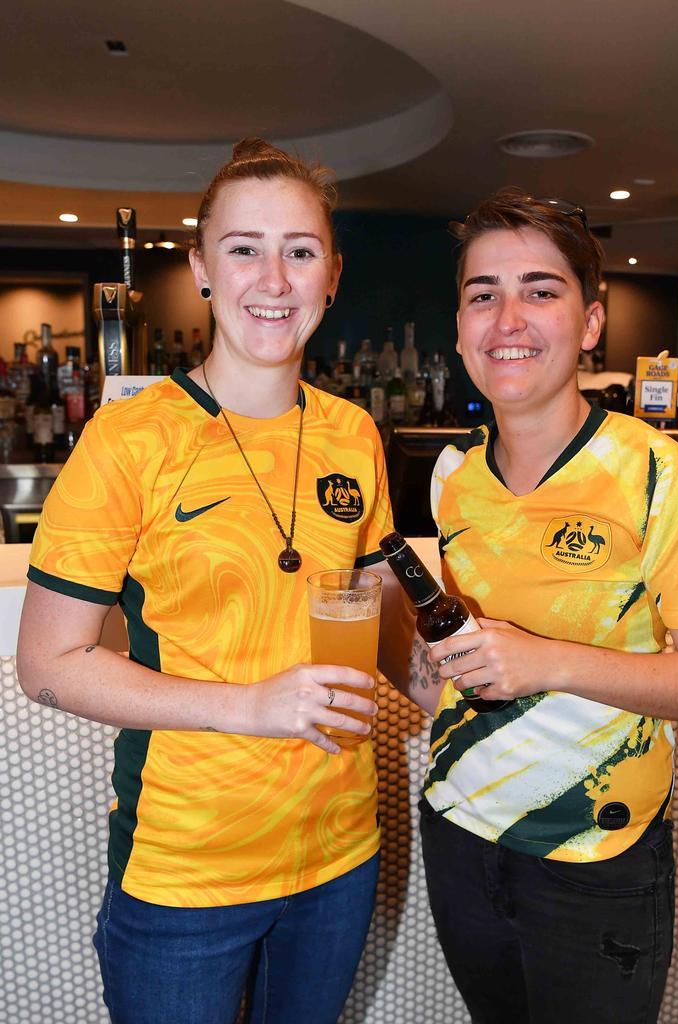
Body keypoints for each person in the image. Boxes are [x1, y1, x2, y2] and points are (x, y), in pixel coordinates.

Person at [16, 138, 404, 1024]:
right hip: (185, 870)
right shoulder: (130, 439)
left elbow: (376, 606)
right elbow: (47, 665)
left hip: (338, 854)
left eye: (299, 251)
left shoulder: (352, 434)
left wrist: (431, 668)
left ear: (331, 274)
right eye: (244, 248)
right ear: (200, 267)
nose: (274, 277)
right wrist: (251, 706)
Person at [411, 188, 678, 1024]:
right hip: (459, 828)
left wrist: (546, 660)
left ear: (591, 323)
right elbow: (466, 651)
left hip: (599, 854)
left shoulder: (660, 476)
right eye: (482, 295)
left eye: (541, 289)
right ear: (459, 330)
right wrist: (433, 674)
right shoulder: (451, 476)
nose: (508, 318)